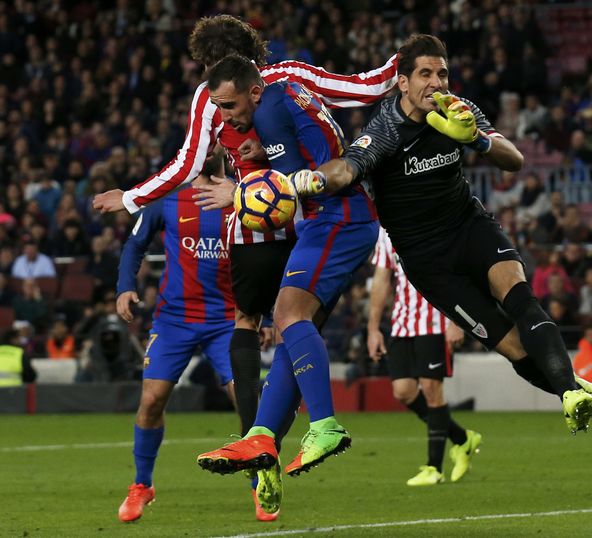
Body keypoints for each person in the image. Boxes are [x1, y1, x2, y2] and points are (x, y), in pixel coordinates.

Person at [92, 15, 397, 519]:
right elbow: (359, 89)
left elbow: (189, 163)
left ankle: (271, 443)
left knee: (268, 323)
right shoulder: (287, 78)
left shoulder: (244, 92)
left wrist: (131, 196)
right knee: (294, 325)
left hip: (273, 219)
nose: (218, 103)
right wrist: (397, 68)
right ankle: (265, 448)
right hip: (294, 219)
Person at [290, 34, 592, 434]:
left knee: (522, 299)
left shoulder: (459, 111)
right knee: (512, 346)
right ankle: (571, 385)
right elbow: (347, 168)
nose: (437, 83)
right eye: (426, 74)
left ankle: (570, 395)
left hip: (469, 227)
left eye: (443, 73)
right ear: (403, 82)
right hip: (428, 261)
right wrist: (309, 180)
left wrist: (476, 139)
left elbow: (515, 160)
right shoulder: (385, 129)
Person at [195, 55, 379, 480]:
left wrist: (239, 193)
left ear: (253, 92)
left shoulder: (271, 111)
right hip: (341, 219)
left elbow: (291, 188)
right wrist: (266, 150)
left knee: (287, 315)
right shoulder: (287, 94)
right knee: (294, 330)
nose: (227, 116)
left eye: (229, 106)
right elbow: (313, 149)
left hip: (337, 219)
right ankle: (261, 434)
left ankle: (324, 425)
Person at [114, 175, 274, 522]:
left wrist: (270, 314)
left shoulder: (243, 195)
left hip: (228, 320)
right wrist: (125, 286)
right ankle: (142, 485)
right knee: (151, 400)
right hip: (174, 320)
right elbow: (135, 243)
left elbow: (265, 256)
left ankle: (259, 483)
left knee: (245, 399)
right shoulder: (167, 200)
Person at [368, 227, 480, 486]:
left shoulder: (433, 223)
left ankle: (434, 468)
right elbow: (382, 279)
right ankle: (463, 439)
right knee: (403, 391)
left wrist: (456, 320)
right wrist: (373, 329)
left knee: (431, 388)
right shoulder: (386, 233)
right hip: (402, 324)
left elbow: (456, 273)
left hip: (436, 322)